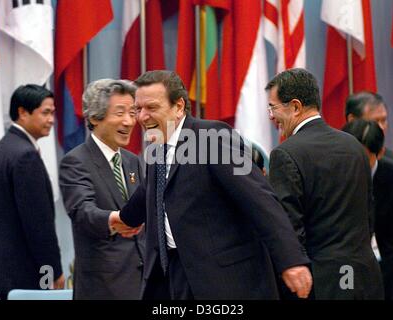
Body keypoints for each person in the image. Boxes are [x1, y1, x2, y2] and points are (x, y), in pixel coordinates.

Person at [110, 70, 312, 300]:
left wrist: (291, 260)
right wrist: (124, 218)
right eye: (139, 109)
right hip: (175, 277)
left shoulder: (212, 137)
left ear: (178, 107)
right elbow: (151, 191)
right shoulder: (158, 146)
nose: (142, 117)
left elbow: (260, 199)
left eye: (152, 108)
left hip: (226, 281)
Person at [267, 68, 384, 299]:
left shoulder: (285, 154)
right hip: (364, 279)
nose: (271, 116)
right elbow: (368, 216)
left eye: (273, 107)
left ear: (296, 106)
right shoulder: (354, 146)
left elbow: (290, 230)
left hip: (321, 284)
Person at [59, 79, 144, 300]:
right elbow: (83, 212)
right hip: (104, 286)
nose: (129, 121)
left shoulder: (133, 161)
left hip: (144, 282)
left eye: (132, 112)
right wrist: (117, 219)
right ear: (95, 117)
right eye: (120, 113)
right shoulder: (76, 161)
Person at [0, 84, 64, 300]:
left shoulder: (4, 148)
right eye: (45, 112)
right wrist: (54, 271)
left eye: (53, 113)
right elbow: (38, 224)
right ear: (23, 112)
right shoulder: (25, 156)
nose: (51, 119)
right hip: (25, 272)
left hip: (4, 271)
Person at [342, 119, 393, 299]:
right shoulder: (333, 175)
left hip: (391, 262)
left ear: (380, 153)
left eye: (363, 158)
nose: (354, 164)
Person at [345, 91, 393, 165]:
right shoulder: (332, 157)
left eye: (383, 120)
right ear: (352, 120)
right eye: (375, 121)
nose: (381, 127)